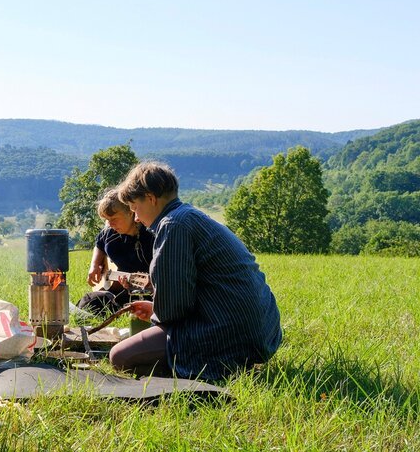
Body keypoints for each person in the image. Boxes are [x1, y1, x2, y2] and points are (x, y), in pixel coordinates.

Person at [109, 161, 282, 381]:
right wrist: (156, 308)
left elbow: (174, 309)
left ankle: (220, 367)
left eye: (135, 209)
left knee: (120, 357)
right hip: (264, 330)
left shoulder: (173, 225)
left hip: (232, 331)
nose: (136, 218)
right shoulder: (188, 216)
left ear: (151, 198)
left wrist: (158, 313)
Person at [77, 188, 154, 315]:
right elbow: (100, 243)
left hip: (145, 293)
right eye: (106, 219)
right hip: (118, 288)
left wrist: (138, 285)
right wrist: (95, 265)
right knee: (89, 303)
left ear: (131, 212)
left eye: (114, 219)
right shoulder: (110, 232)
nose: (110, 224)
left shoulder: (150, 236)